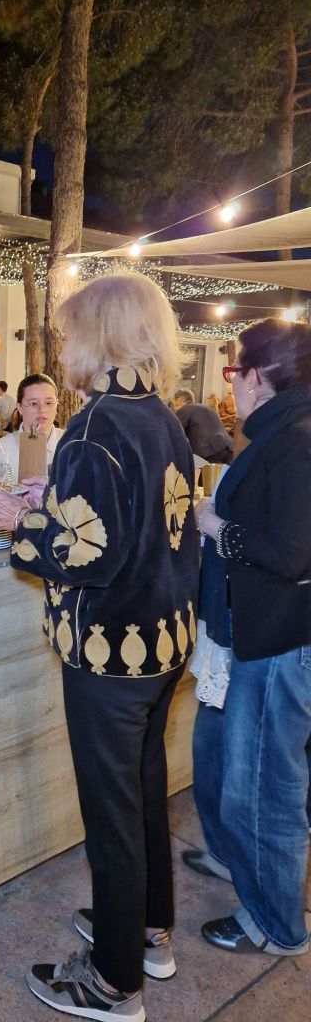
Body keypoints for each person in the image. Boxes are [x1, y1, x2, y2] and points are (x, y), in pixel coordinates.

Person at [0, 273, 199, 1022]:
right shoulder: (162, 417)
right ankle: (146, 932)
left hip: (109, 650)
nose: (65, 346)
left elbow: (88, 553)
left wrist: (17, 525)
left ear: (99, 338)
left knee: (111, 815)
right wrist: (51, 503)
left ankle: (112, 982)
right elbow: (141, 521)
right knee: (143, 794)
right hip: (163, 641)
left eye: (72, 333)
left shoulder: (93, 426)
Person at [188, 318, 311, 959]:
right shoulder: (281, 430)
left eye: (234, 372)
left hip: (278, 640)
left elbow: (290, 553)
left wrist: (213, 526)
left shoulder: (296, 438)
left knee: (265, 787)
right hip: (255, 633)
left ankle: (275, 923)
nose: (230, 384)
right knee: (231, 766)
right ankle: (239, 861)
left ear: (257, 377)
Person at [0, 374, 64, 480]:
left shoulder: (73, 444)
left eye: (49, 403)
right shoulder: (1, 451)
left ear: (56, 405)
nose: (42, 409)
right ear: (20, 407)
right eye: (33, 403)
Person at [172, 388, 233, 464]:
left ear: (179, 402)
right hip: (227, 447)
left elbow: (175, 435)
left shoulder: (184, 410)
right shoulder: (206, 408)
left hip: (209, 451)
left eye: (174, 404)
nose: (174, 408)